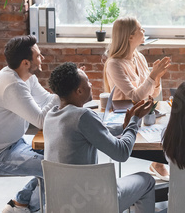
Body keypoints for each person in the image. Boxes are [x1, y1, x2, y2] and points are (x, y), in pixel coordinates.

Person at [44, 62, 155, 213]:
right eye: (88, 81)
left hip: (63, 201)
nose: (91, 84)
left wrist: (124, 127)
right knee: (147, 180)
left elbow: (93, 132)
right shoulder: (83, 116)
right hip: (94, 202)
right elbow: (121, 153)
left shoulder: (51, 116)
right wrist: (135, 120)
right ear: (79, 91)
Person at [0, 35, 59, 213]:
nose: (42, 57)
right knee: (55, 170)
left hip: (14, 143)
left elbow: (46, 99)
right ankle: (26, 208)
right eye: (38, 55)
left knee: (61, 155)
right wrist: (61, 92)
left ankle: (20, 203)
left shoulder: (26, 77)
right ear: (26, 63)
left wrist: (57, 96)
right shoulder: (12, 86)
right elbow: (40, 121)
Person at [103, 16, 171, 181]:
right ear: (130, 36)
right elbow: (135, 97)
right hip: (124, 119)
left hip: (144, 113)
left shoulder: (138, 57)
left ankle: (158, 163)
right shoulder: (114, 64)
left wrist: (157, 78)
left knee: (175, 126)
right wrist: (152, 75)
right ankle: (159, 163)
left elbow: (153, 94)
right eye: (140, 29)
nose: (144, 31)